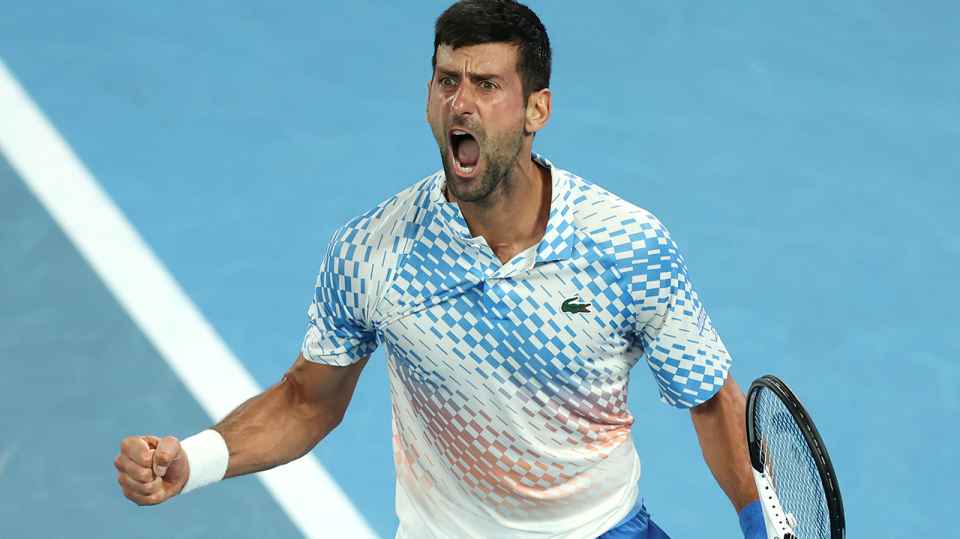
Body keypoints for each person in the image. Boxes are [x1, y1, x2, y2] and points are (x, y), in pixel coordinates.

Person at [115, 1, 768, 537]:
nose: (461, 103)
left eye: (487, 85)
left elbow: (709, 395)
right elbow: (304, 401)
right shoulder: (373, 251)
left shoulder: (626, 245)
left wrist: (760, 522)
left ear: (537, 109)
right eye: (447, 80)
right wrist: (190, 459)